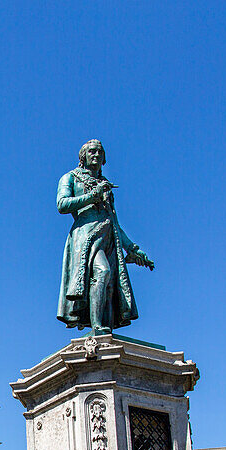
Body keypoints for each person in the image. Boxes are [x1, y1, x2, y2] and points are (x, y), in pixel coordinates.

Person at [57, 139, 154, 335]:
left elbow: (114, 221)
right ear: (83, 156)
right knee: (103, 272)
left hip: (109, 236)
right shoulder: (70, 177)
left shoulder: (105, 185)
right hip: (85, 236)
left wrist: (133, 249)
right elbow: (62, 204)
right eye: (92, 151)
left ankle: (104, 328)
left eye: (100, 152)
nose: (96, 155)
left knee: (110, 285)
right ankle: (97, 327)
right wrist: (92, 196)